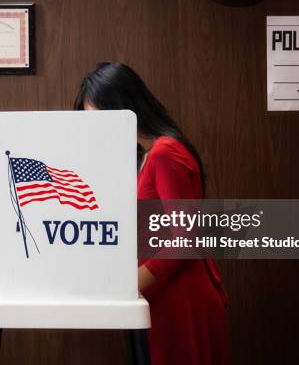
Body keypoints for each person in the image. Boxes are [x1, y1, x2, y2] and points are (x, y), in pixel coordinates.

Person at [74, 62, 230, 365]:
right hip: (162, 298)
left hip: (182, 300)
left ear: (124, 106)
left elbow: (186, 240)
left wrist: (125, 284)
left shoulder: (164, 153)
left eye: (99, 119)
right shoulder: (146, 156)